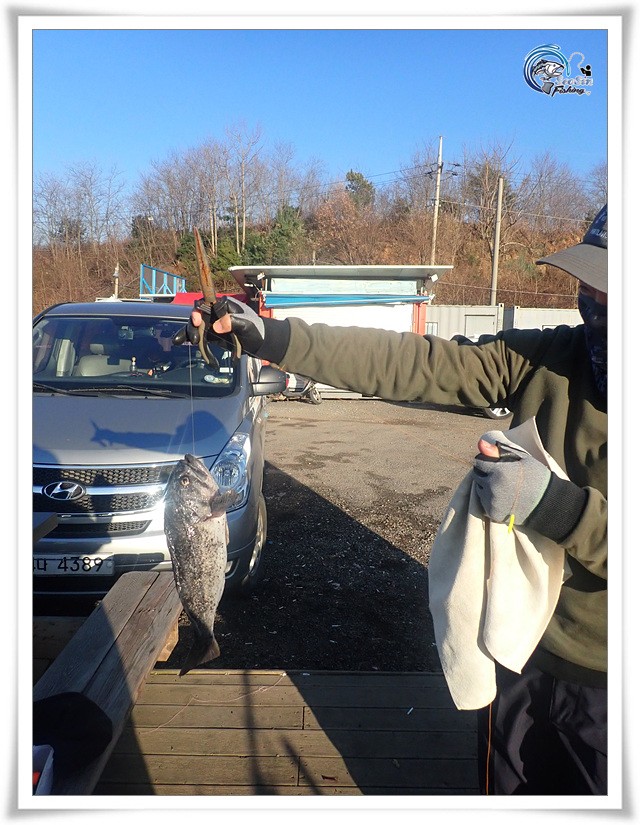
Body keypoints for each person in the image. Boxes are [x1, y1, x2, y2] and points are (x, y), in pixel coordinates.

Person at [182, 204, 608, 795]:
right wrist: (273, 338)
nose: (592, 299)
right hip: (520, 650)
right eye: (587, 280)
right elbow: (414, 363)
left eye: (611, 286)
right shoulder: (551, 359)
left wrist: (556, 509)